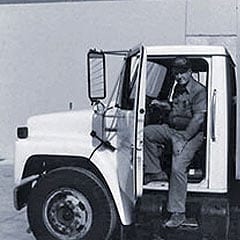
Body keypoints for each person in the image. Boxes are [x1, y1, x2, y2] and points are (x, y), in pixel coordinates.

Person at [144, 56, 206, 228]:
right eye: (176, 73)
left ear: (190, 72)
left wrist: (183, 139)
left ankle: (178, 213)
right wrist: (163, 105)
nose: (179, 77)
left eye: (182, 73)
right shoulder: (178, 89)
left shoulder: (200, 91)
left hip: (192, 134)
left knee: (178, 167)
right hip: (173, 130)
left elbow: (198, 119)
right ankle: (155, 172)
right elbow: (178, 108)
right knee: (147, 133)